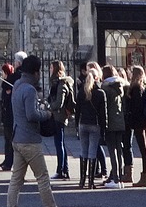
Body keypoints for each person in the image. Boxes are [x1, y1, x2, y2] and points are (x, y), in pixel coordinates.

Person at [5, 54, 76, 207]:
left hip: (17, 138)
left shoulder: (17, 85)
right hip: (29, 140)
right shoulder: (29, 89)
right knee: (43, 177)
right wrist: (47, 114)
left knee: (16, 179)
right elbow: (32, 115)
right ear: (36, 72)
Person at [75, 61, 106, 190]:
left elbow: (77, 110)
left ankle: (82, 180)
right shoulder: (100, 93)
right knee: (92, 152)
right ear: (97, 77)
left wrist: (77, 125)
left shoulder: (82, 92)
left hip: (83, 124)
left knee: (83, 151)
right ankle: (91, 182)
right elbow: (103, 114)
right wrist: (104, 129)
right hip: (94, 124)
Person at [126, 65, 146, 187]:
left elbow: (136, 108)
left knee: (144, 151)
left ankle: (145, 177)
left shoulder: (136, 88)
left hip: (140, 123)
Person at [100, 64, 127, 187]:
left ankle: (115, 179)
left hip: (110, 122)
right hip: (120, 122)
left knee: (112, 151)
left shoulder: (106, 89)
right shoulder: (120, 87)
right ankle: (120, 178)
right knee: (119, 151)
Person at [48, 60, 75, 181]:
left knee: (59, 144)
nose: (49, 70)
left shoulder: (61, 84)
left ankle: (61, 170)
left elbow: (59, 102)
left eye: (51, 68)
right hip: (57, 116)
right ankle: (64, 170)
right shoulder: (56, 83)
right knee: (60, 143)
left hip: (59, 116)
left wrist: (50, 106)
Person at [0, 62, 16, 170]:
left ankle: (9, 161)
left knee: (9, 139)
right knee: (6, 139)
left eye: (4, 72)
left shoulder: (9, 83)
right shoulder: (7, 83)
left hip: (10, 115)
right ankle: (6, 159)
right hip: (6, 114)